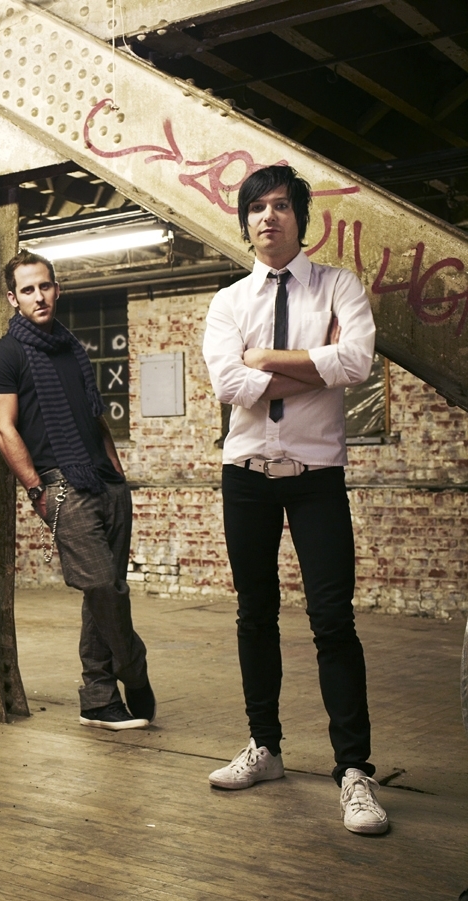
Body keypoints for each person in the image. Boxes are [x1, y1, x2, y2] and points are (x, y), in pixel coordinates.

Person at [202, 165, 386, 834]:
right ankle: (266, 747)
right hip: (247, 475)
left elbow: (358, 362)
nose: (268, 217)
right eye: (257, 207)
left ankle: (355, 771)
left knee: (332, 619)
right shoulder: (228, 301)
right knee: (255, 614)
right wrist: (314, 363)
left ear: (300, 220)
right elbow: (227, 384)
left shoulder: (339, 285)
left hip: (316, 477)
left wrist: (267, 359)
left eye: (281, 206)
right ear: (245, 221)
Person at [0, 251, 155, 731]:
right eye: (28, 289)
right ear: (13, 298)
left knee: (106, 593)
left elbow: (95, 415)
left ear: (57, 289)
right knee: (100, 585)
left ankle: (98, 699)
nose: (39, 296)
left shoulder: (71, 347)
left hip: (105, 482)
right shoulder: (5, 355)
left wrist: (117, 472)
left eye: (45, 286)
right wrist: (36, 489)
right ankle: (133, 669)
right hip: (61, 485)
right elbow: (4, 430)